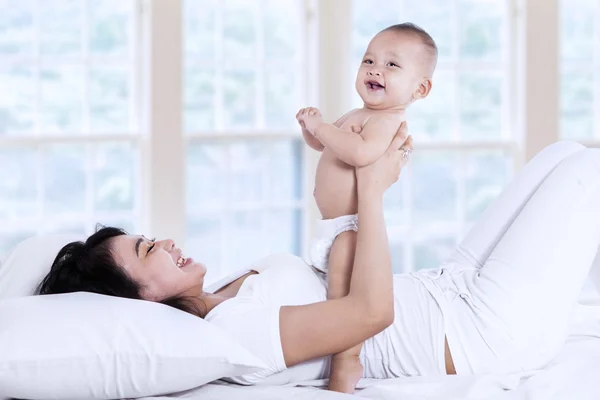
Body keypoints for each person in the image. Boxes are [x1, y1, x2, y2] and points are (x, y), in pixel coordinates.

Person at [37, 134, 600, 394]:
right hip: (478, 332)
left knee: (565, 153)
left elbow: (342, 277)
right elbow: (370, 311)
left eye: (149, 238)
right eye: (145, 251)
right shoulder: (234, 336)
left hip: (448, 290)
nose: (162, 242)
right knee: (588, 172)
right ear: (140, 301)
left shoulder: (228, 292)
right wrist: (372, 193)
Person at [295, 22, 436, 391]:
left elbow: (360, 153)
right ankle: (334, 346)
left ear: (419, 88)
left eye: (392, 65)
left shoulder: (386, 121)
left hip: (352, 226)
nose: (375, 69)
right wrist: (311, 130)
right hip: (331, 224)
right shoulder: (355, 114)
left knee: (343, 291)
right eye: (369, 60)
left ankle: (348, 360)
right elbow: (325, 147)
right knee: (333, 291)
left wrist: (322, 126)